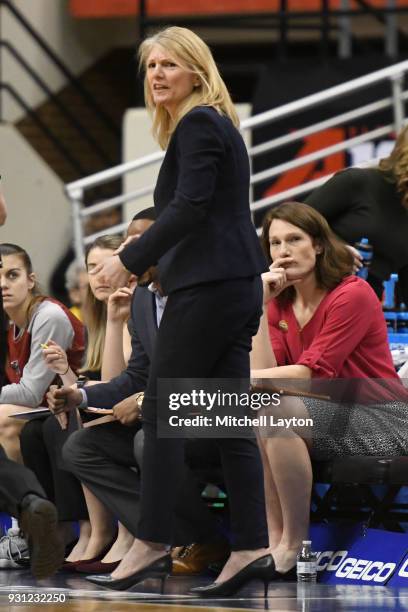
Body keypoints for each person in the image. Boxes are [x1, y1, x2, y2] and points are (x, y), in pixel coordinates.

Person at [47, 25, 274, 597]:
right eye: (150, 67)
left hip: (208, 288)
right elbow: (190, 207)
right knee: (228, 423)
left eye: (169, 65)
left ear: (196, 70)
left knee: (163, 414)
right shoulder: (216, 125)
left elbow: (190, 207)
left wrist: (131, 260)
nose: (157, 75)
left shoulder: (198, 123)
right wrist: (139, 256)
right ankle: (250, 546)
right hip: (234, 285)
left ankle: (152, 538)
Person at [250, 201, 408, 577]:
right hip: (323, 415)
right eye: (274, 243)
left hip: (385, 420)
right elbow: (264, 372)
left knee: (271, 406)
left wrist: (251, 381)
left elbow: (312, 373)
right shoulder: (280, 302)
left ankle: (295, 545)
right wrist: (257, 306)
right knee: (262, 406)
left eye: (294, 239)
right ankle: (274, 542)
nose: (283, 252)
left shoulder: (351, 294)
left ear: (319, 244)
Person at [20, 234, 134, 569]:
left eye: (105, 265)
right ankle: (71, 528)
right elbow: (89, 384)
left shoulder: (129, 309)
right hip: (104, 402)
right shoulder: (95, 316)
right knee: (35, 431)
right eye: (91, 267)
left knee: (67, 428)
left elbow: (121, 383)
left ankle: (98, 530)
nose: (99, 275)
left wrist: (75, 386)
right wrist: (65, 374)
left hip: (132, 406)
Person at [0, 242, 85, 461]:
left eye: (12, 275)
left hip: (81, 400)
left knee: (3, 420)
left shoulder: (48, 316)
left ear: (30, 280)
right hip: (47, 406)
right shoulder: (11, 323)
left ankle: (25, 495)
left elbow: (30, 393)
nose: (3, 284)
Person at [304, 126, 408, 304]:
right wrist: (335, 247)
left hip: (364, 307)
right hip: (315, 294)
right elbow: (288, 223)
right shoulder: (359, 182)